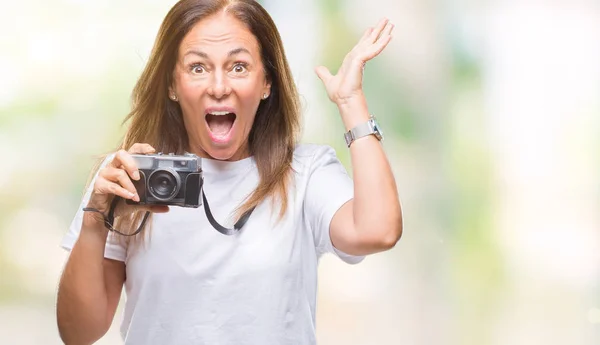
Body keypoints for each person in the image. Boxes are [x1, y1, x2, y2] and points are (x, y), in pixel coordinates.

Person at [56, 0, 402, 344]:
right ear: (172, 86)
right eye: (197, 68)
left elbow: (378, 231)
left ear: (267, 82)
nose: (219, 87)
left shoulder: (306, 173)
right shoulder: (131, 178)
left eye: (238, 67)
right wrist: (95, 220)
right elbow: (78, 333)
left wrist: (350, 101)